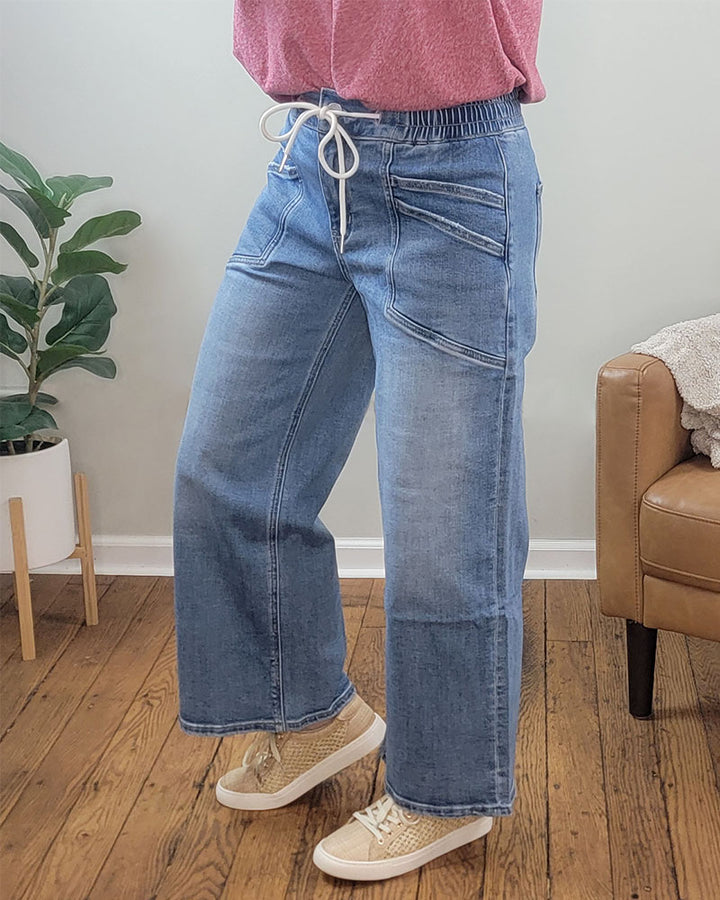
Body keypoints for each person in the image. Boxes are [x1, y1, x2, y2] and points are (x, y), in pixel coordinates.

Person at [172, 0, 545, 883]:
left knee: (445, 527)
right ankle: (312, 719)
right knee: (225, 471)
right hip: (312, 158)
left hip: (455, 171)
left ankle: (443, 796)